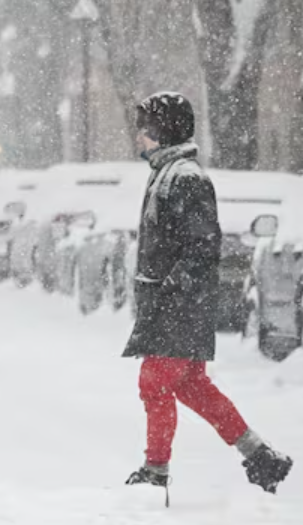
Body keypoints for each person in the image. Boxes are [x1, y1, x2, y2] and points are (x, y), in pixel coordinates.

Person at [123, 91, 293, 496]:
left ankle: (155, 471)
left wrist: (168, 292)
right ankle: (260, 455)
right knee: (191, 386)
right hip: (176, 305)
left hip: (178, 306)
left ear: (163, 131)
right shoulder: (169, 172)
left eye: (145, 128)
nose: (140, 136)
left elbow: (201, 248)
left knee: (154, 384)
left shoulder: (185, 177)